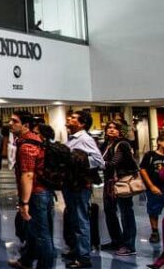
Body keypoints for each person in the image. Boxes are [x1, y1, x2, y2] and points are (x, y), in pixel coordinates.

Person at [7, 114, 55, 269]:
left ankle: (45, 266)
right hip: (42, 192)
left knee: (42, 235)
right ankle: (26, 261)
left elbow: (28, 174)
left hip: (36, 193)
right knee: (33, 232)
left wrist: (24, 202)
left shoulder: (27, 146)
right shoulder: (33, 140)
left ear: (25, 125)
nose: (10, 124)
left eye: (15, 121)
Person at [62, 111, 104, 269]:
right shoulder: (72, 138)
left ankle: (84, 256)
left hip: (79, 186)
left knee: (81, 220)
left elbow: (99, 161)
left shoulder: (85, 139)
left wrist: (80, 161)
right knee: (73, 218)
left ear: (82, 123)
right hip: (70, 184)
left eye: (73, 118)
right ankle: (76, 249)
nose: (69, 119)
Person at [100, 121, 137, 256]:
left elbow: (113, 163)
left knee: (126, 213)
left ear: (120, 131)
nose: (111, 130)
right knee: (109, 211)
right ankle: (116, 240)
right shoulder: (105, 144)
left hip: (122, 182)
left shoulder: (122, 144)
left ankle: (129, 245)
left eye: (115, 128)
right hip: (109, 183)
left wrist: (98, 162)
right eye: (109, 127)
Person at [144, 137, 164, 269]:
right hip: (155, 189)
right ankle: (155, 231)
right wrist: (151, 186)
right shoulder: (151, 155)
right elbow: (143, 169)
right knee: (153, 210)